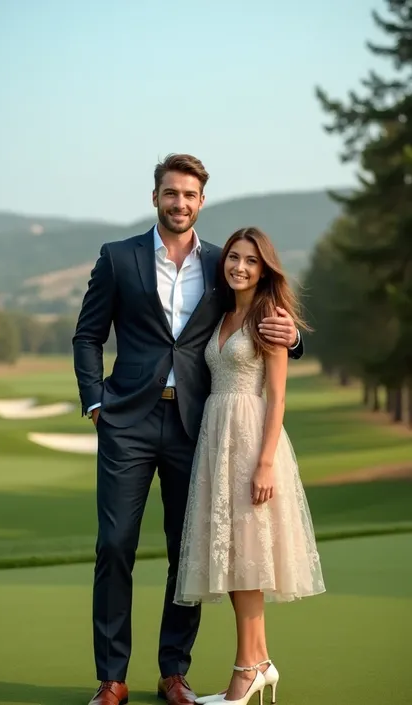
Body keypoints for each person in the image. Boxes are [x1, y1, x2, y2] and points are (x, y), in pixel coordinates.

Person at [72, 154, 304, 705]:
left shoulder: (226, 261)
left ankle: (174, 672)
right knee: (115, 545)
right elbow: (87, 336)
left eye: (191, 195)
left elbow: (266, 312)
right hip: (125, 421)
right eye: (171, 193)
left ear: (203, 201)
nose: (180, 203)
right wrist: (95, 403)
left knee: (188, 551)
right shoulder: (118, 258)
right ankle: (112, 678)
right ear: (156, 197)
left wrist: (294, 339)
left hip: (195, 425)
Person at [174, 228, 325, 705]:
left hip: (251, 440)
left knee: (248, 558)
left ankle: (247, 669)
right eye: (234, 258)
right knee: (236, 555)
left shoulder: (269, 319)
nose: (239, 266)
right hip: (216, 441)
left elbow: (278, 396)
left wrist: (264, 465)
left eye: (250, 261)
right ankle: (258, 662)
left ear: (265, 269)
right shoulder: (223, 313)